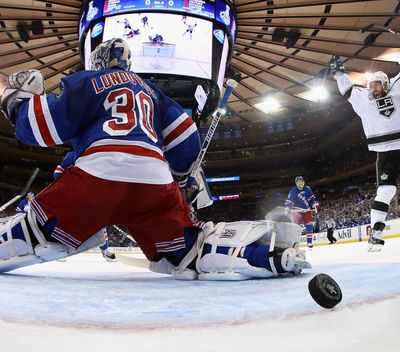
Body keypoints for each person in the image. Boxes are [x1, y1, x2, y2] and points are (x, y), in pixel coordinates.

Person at [0, 38, 310, 279]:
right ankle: (267, 255)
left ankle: (68, 227)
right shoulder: (153, 93)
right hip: (155, 183)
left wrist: (16, 101)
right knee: (187, 250)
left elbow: (40, 127)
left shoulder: (86, 81)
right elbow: (188, 140)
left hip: (97, 178)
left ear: (98, 62)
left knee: (35, 229)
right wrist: (181, 179)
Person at [329, 55, 400, 252]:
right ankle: (376, 233)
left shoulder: (396, 87)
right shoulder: (364, 99)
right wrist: (338, 72)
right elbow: (347, 88)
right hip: (385, 151)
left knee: (386, 191)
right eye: (371, 86)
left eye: (377, 86)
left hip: (389, 148)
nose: (373, 89)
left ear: (387, 84)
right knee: (386, 191)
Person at [54, 151, 116, 262]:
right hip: (73, 196)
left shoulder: (98, 156)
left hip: (91, 197)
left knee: (100, 224)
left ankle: (105, 250)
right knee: (65, 223)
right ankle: (60, 252)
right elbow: (58, 172)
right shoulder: (73, 155)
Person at [284, 176, 320, 249]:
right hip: (296, 212)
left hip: (306, 211)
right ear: (296, 183)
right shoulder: (293, 191)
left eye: (301, 181)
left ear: (303, 182)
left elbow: (312, 200)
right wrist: (287, 207)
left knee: (309, 226)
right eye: (298, 181)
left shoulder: (308, 189)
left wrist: (315, 206)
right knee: (294, 228)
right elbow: (290, 201)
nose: (300, 183)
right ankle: (294, 243)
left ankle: (309, 242)